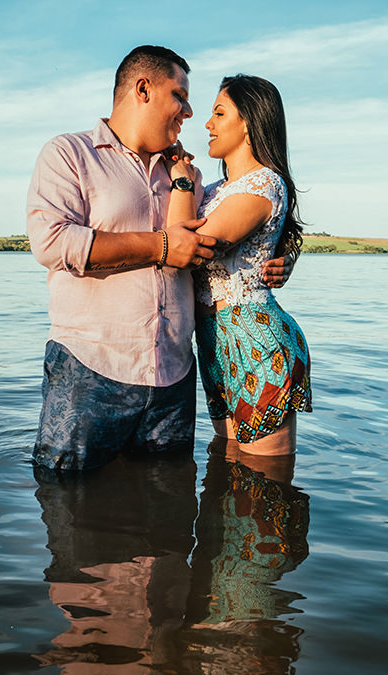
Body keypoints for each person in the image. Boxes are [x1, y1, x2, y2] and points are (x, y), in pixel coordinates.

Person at [26, 46, 293, 473]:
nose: (189, 112)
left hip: (174, 376)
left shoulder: (190, 176)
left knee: (170, 509)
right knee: (68, 502)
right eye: (180, 96)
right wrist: (161, 246)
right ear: (143, 89)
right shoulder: (69, 154)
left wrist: (283, 257)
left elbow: (247, 227)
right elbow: (53, 243)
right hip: (91, 372)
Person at [166, 74, 311, 456]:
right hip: (213, 341)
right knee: (227, 467)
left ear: (248, 120)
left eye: (218, 113)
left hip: (254, 339)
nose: (208, 125)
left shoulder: (264, 183)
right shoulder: (217, 192)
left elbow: (192, 247)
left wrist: (181, 184)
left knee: (266, 481)